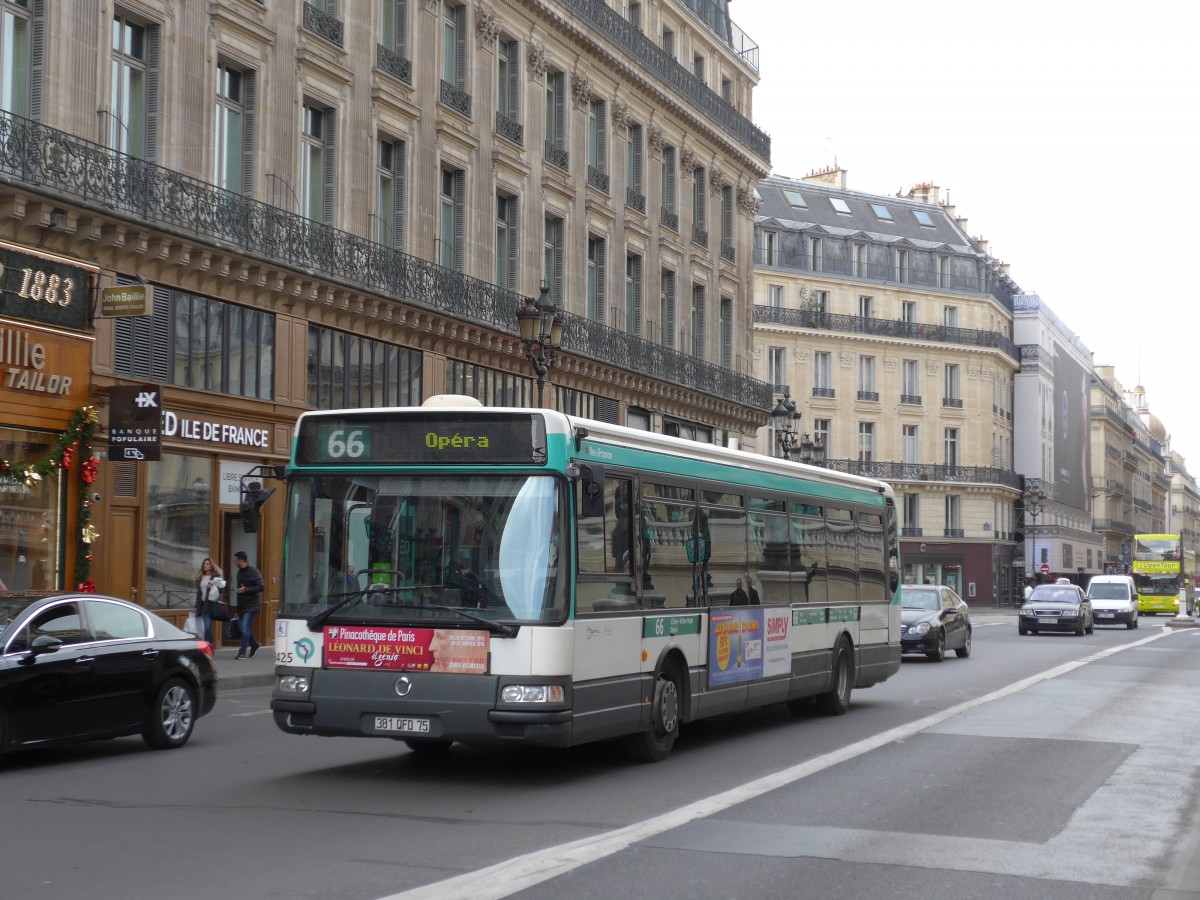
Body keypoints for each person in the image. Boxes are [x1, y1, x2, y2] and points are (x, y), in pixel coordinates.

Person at [233, 550, 264, 659]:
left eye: (236, 560)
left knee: (245, 627)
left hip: (252, 605)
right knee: (243, 628)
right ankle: (254, 644)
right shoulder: (239, 572)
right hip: (242, 605)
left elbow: (261, 587)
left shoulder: (253, 571)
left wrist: (246, 589)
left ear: (241, 560)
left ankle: (242, 652)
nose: (235, 562)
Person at [193, 558, 225, 644]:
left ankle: (207, 645)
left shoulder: (215, 577)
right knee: (205, 626)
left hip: (210, 604)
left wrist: (213, 587)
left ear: (211, 566)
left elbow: (221, 589)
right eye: (204, 564)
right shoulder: (201, 577)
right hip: (202, 604)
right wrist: (196, 606)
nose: (205, 565)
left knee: (207, 625)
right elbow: (199, 593)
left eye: (207, 564)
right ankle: (209, 645)